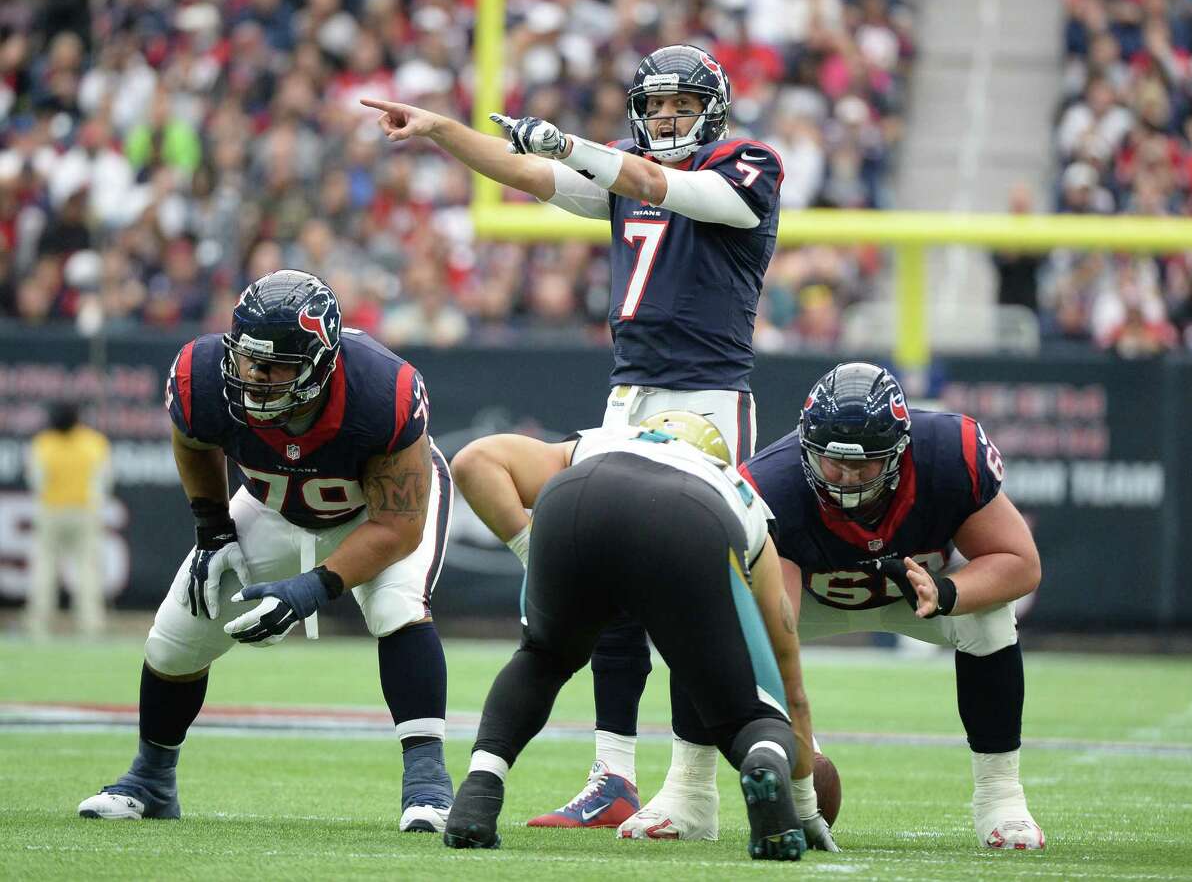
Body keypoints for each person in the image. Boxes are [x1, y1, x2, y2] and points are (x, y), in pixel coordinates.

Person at [363, 43, 784, 831]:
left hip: (706, 404)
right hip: (627, 398)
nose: (665, 117)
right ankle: (610, 766)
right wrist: (439, 129)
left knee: (698, 596)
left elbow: (658, 184)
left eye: (681, 105)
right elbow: (529, 173)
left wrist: (572, 146)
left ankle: (695, 787)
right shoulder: (622, 171)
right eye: (655, 104)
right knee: (540, 518)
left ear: (712, 111)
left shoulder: (746, 164)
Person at [77, 270, 457, 833]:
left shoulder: (383, 392)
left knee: (396, 605)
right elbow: (193, 440)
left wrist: (310, 588)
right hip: (272, 506)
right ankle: (152, 779)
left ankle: (428, 786)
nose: (255, 376)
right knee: (176, 637)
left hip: (376, 513)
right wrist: (213, 529)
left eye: (277, 365)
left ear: (322, 363)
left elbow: (399, 525)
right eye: (248, 359)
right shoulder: (203, 376)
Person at [445, 411, 836, 858]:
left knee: (541, 660)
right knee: (744, 716)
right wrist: (805, 808)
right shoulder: (740, 492)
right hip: (691, 520)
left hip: (575, 496)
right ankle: (763, 758)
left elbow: (474, 462)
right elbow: (788, 675)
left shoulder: (599, 441)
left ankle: (478, 792)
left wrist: (530, 551)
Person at [737, 361, 1045, 850]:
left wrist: (947, 593)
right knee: (727, 628)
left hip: (916, 597)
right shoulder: (774, 484)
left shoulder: (948, 455)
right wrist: (798, 759)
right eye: (833, 463)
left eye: (865, 465)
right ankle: (685, 793)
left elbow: (1021, 563)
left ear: (901, 452)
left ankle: (1001, 799)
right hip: (814, 601)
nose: (846, 478)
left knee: (989, 614)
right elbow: (774, 641)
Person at [25, 402, 112, 639]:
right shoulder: (94, 442)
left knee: (44, 567)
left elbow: (36, 480)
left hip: (51, 510)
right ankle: (91, 624)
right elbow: (103, 481)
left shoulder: (43, 443)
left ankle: (38, 625)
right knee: (87, 569)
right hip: (84, 511)